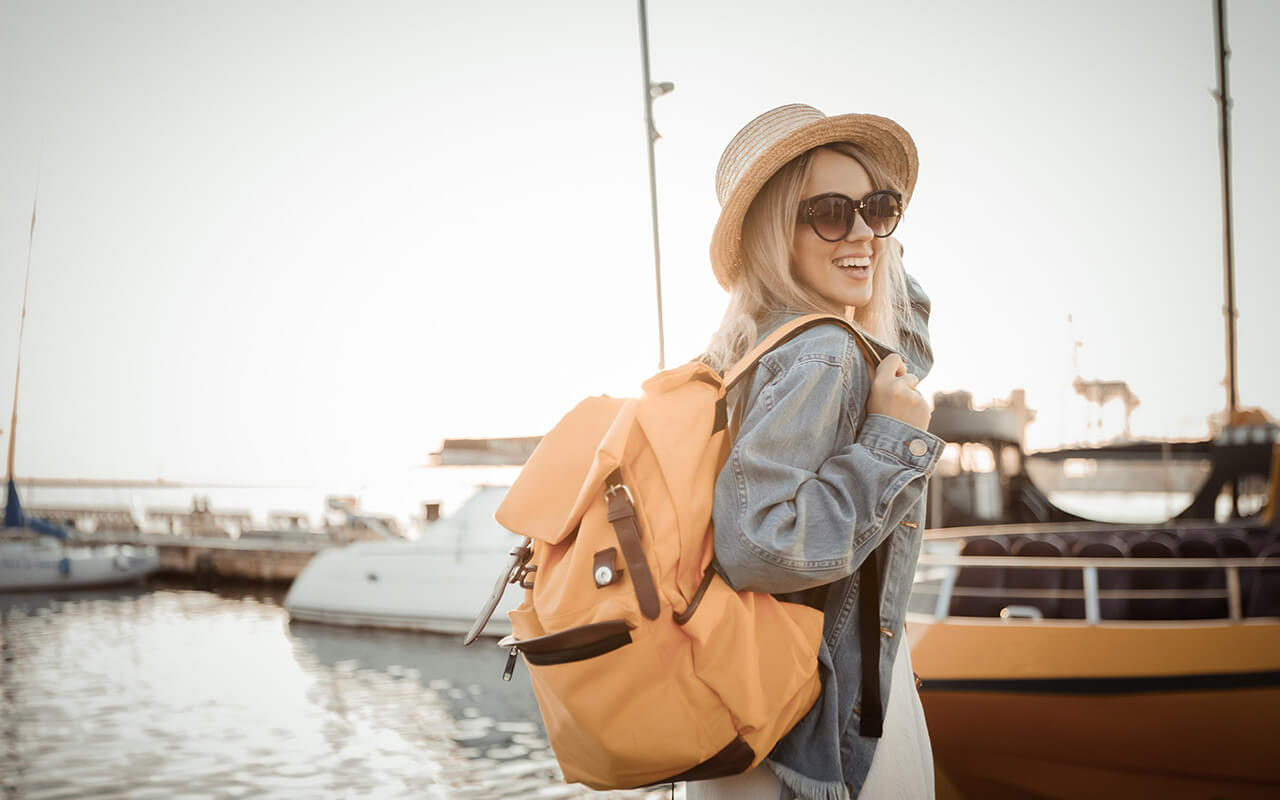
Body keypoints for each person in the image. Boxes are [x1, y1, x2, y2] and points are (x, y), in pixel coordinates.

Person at [688, 104, 945, 800]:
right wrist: (888, 446)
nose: (862, 230)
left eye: (878, 208)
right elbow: (758, 544)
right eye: (830, 212)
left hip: (747, 718)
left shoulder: (747, 352)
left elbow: (905, 334)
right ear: (778, 235)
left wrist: (870, 242)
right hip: (811, 738)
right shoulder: (825, 354)